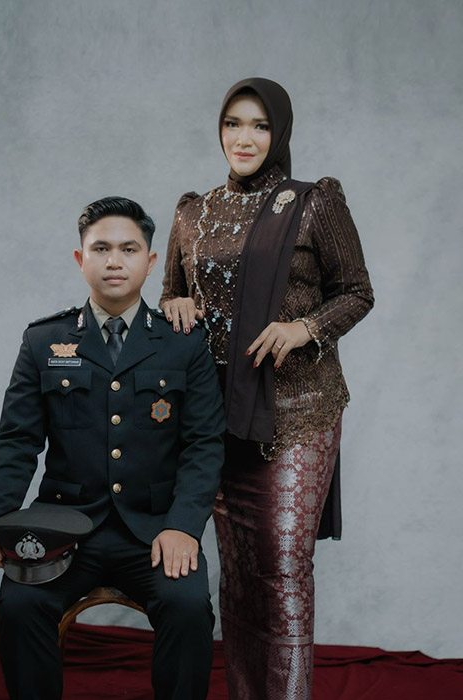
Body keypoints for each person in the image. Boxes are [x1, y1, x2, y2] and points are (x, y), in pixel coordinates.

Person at [160, 78, 374, 699]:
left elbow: (357, 292)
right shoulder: (192, 213)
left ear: (279, 133)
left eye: (259, 125)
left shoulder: (313, 203)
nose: (244, 138)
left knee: (282, 569)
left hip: (297, 413)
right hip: (217, 418)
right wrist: (173, 304)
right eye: (233, 124)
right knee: (238, 578)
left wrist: (305, 328)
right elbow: (171, 295)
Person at [0, 196, 225, 700]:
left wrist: (183, 526)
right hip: (63, 526)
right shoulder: (44, 341)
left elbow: (203, 443)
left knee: (188, 607)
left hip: (155, 530)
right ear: (80, 258)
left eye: (129, 249)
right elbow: (17, 440)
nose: (115, 261)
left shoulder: (184, 342)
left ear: (150, 262)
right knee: (21, 607)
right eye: (101, 248)